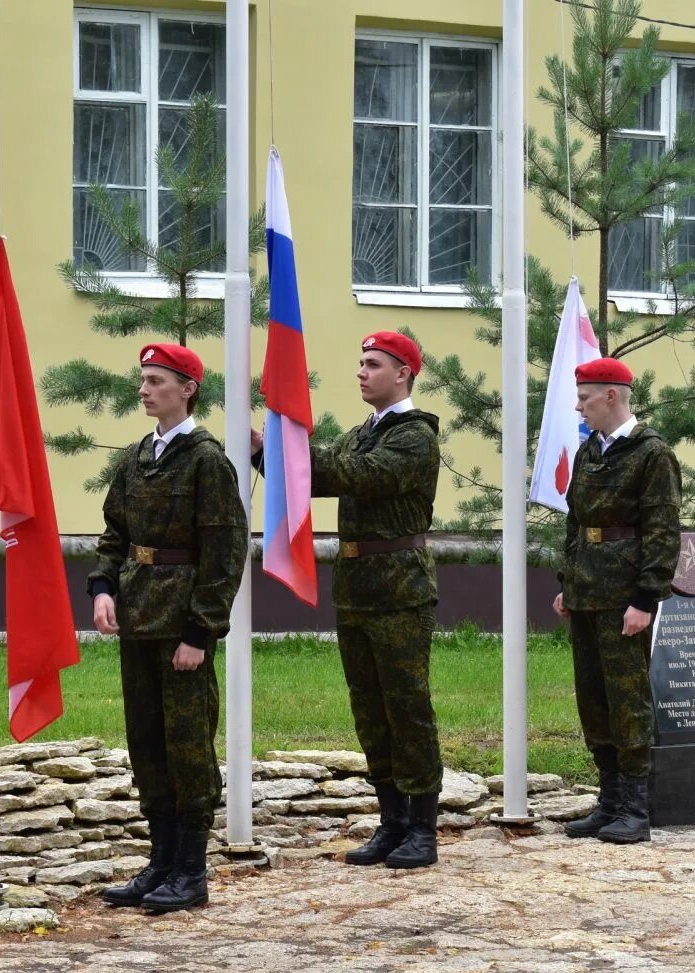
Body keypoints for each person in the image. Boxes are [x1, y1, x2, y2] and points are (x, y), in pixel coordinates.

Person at [253, 330, 444, 868]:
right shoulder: (364, 433)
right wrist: (263, 453)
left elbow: (355, 475)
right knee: (370, 710)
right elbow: (309, 478)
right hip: (358, 588)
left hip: (400, 590)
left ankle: (422, 828)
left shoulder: (414, 436)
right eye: (360, 363)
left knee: (407, 709)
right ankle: (392, 821)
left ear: (403, 373)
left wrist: (278, 447)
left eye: (373, 364)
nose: (361, 372)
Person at [91, 342, 248, 912]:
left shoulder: (206, 460)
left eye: (157, 380)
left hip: (181, 622)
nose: (144, 388)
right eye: (143, 379)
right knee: (148, 742)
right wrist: (104, 586)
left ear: (188, 389)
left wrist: (201, 632)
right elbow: (114, 530)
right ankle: (159, 864)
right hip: (139, 618)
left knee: (187, 745)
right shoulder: (137, 458)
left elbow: (225, 553)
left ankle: (191, 870)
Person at [551, 356, 681, 845]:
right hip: (587, 594)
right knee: (594, 699)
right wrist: (568, 582)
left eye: (584, 397)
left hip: (624, 597)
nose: (578, 405)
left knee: (628, 702)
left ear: (611, 396)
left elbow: (663, 532)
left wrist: (645, 598)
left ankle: (635, 807)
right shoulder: (590, 452)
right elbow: (575, 523)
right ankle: (608, 802)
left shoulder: (651, 454)